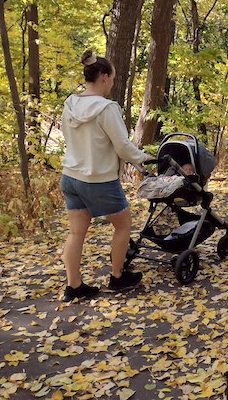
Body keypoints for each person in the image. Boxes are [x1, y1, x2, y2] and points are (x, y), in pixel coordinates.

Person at [59, 49, 153, 302]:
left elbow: (69, 137)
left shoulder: (70, 103)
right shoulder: (107, 108)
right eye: (111, 78)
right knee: (123, 225)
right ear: (103, 76)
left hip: (70, 177)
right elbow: (122, 146)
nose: (112, 82)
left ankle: (74, 286)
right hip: (98, 179)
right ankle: (118, 277)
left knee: (76, 232)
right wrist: (142, 158)